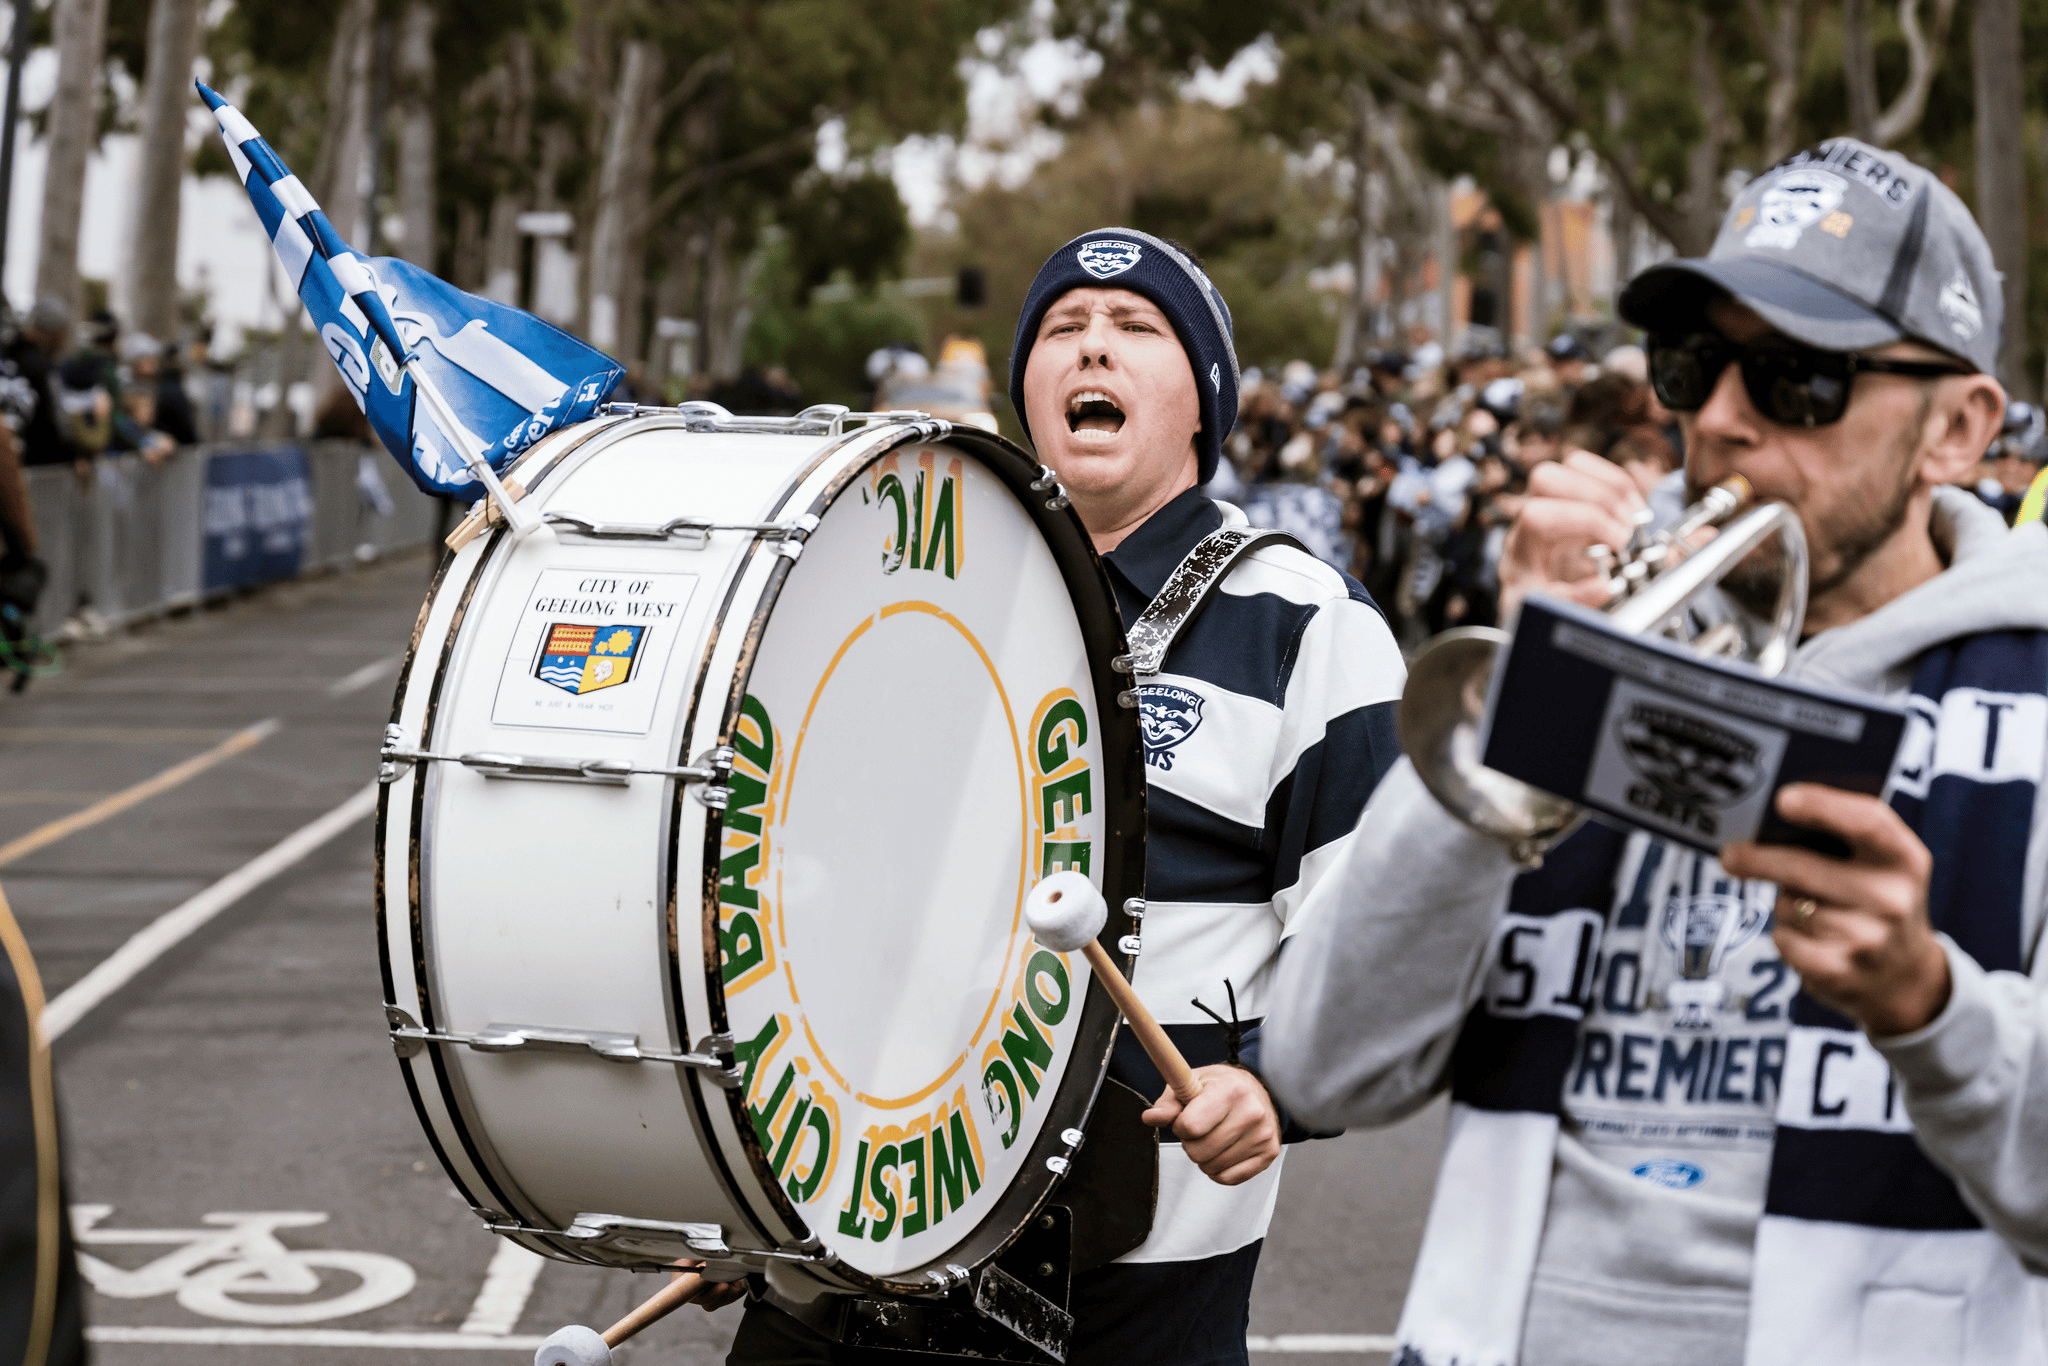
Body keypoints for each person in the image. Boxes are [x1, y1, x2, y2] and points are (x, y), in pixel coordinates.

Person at [1265, 136, 2048, 1366]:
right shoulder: (1605, 650)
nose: (1719, 420)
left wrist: (1927, 1007)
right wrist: (1510, 710)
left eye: (1797, 379)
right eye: (1692, 366)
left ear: (1956, 428)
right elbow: (1321, 1066)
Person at [724, 228, 1408, 1365]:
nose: (1092, 347)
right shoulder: (912, 597)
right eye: (1061, 331)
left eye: (1135, 329)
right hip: (852, 1238)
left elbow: (1379, 946)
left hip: (1131, 1278)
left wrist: (1272, 1087)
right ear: (1026, 394)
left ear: (1202, 403)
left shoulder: (1304, 622)